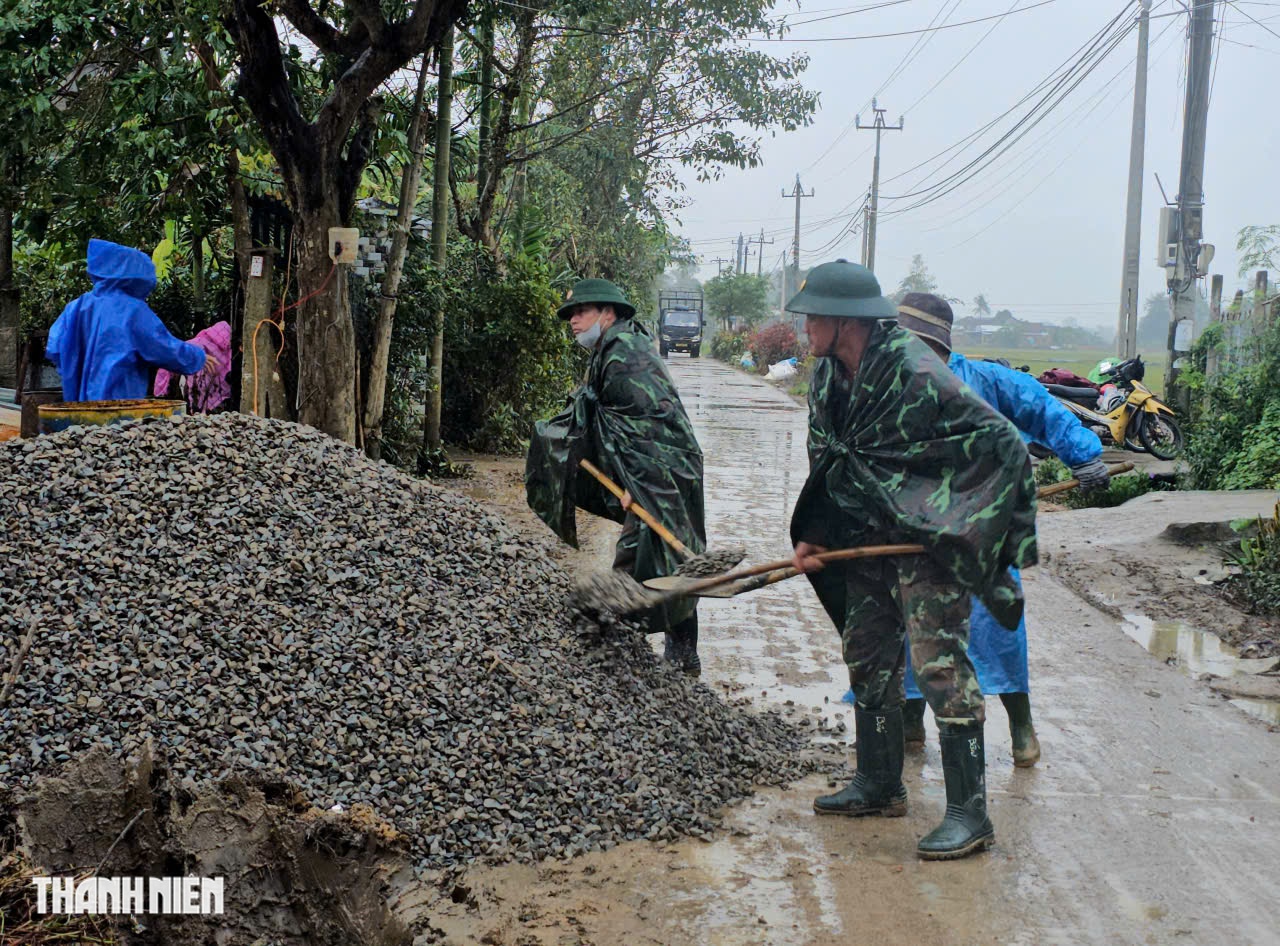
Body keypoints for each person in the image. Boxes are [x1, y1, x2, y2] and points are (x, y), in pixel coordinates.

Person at [787, 260, 1038, 860]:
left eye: (812, 316)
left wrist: (955, 521)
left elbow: (1001, 446)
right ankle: (878, 783)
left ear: (846, 320)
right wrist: (818, 531)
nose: (804, 329)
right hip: (866, 540)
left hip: (924, 543)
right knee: (866, 652)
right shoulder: (828, 375)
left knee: (939, 667)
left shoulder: (914, 368)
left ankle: (969, 815)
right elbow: (833, 455)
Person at [891, 293, 1109, 767]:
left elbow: (1041, 406)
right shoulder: (894, 387)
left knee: (997, 633)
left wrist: (1085, 454)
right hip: (917, 532)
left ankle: (1021, 729)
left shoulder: (984, 380)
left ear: (933, 346)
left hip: (982, 535)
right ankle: (910, 724)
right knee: (911, 631)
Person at [525, 279, 706, 675]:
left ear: (608, 312)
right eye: (571, 315)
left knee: (650, 554)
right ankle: (675, 653)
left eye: (581, 312)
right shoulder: (612, 346)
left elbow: (650, 431)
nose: (573, 321)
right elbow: (617, 425)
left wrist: (636, 486)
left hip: (663, 470)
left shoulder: (624, 353)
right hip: (652, 469)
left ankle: (628, 656)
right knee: (665, 553)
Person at [46, 239, 215, 402]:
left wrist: (75, 370)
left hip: (76, 405)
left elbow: (54, 347)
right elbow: (161, 346)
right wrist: (196, 357)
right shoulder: (133, 310)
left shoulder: (76, 307)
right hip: (121, 401)